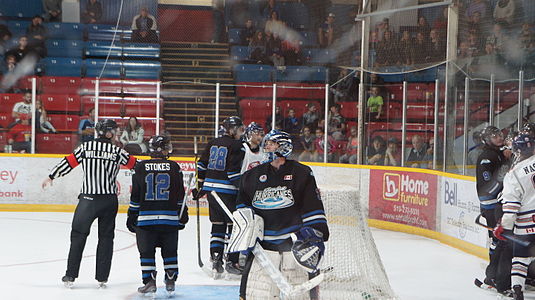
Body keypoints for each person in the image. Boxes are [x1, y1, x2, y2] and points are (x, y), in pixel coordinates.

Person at [41, 119, 137, 288]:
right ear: (108, 133)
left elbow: (68, 163)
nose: (116, 134)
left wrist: (51, 176)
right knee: (106, 239)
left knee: (78, 236)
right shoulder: (117, 151)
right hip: (109, 201)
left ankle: (70, 276)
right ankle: (102, 278)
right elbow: (137, 166)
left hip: (88, 200)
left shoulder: (86, 148)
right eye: (114, 131)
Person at [236, 129, 329, 300]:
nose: (266, 147)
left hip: (292, 250)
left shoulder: (301, 173)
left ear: (284, 146)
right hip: (262, 250)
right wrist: (246, 232)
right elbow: (243, 209)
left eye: (271, 143)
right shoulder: (251, 176)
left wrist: (312, 236)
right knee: (253, 294)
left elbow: (312, 208)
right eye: (266, 143)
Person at [127, 135, 187, 296]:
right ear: (162, 149)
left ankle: (149, 282)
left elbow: (136, 195)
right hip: (169, 219)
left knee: (146, 251)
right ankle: (170, 279)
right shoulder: (174, 167)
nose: (169, 148)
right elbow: (180, 194)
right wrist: (182, 213)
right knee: (170, 251)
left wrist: (132, 214)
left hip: (146, 219)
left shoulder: (140, 167)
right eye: (167, 146)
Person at [195, 116, 245, 277]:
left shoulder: (212, 142)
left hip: (212, 191)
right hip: (228, 191)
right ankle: (232, 259)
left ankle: (216, 259)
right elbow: (232, 172)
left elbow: (201, 165)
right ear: (231, 130)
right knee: (233, 225)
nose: (241, 132)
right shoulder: (238, 145)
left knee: (217, 225)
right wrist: (243, 189)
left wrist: (200, 186)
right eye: (239, 129)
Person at [494, 133, 535, 300]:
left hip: (526, 224)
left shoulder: (514, 174)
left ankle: (517, 289)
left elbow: (511, 207)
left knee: (520, 259)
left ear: (518, 151)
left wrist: (504, 225)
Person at [476, 125, 512, 296]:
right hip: (492, 206)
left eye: (499, 134)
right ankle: (493, 276)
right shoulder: (488, 157)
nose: (499, 137)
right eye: (494, 136)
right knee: (498, 240)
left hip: (497, 205)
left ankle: (494, 274)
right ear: (487, 140)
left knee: (498, 240)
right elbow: (489, 186)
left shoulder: (497, 153)